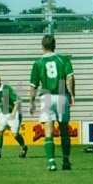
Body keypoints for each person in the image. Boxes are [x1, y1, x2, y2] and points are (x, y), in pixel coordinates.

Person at [29, 34, 75, 171]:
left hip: (46, 97)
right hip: (61, 95)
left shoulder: (38, 63)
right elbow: (70, 78)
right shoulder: (63, 59)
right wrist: (72, 94)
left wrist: (31, 102)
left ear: (42, 46)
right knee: (64, 130)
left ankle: (51, 162)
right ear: (55, 45)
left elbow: (33, 86)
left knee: (48, 130)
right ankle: (66, 161)